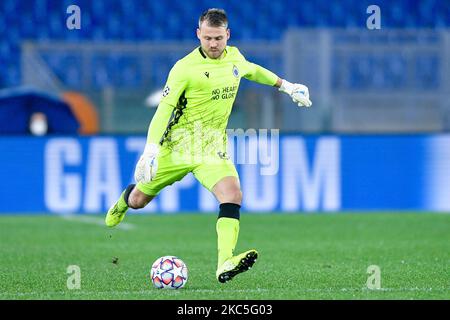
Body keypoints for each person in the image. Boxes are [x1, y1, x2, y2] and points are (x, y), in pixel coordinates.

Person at [105, 8, 312, 283]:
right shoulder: (184, 68)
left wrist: (287, 85)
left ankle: (224, 262)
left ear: (227, 35)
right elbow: (163, 110)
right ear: (198, 35)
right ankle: (124, 200)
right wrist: (151, 149)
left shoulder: (235, 58)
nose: (213, 44)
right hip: (177, 147)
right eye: (207, 38)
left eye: (218, 38)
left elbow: (253, 71)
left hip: (211, 148)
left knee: (233, 195)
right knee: (139, 201)